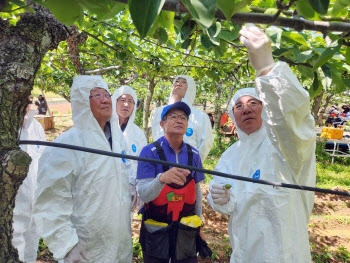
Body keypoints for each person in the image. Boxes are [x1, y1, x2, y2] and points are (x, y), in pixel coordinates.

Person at [207, 24, 316, 263]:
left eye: (254, 102)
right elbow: (225, 201)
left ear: (266, 109)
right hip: (243, 251)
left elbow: (293, 121)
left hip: (283, 254)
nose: (245, 108)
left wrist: (268, 70)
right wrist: (219, 199)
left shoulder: (284, 146)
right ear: (232, 117)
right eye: (239, 105)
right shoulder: (230, 156)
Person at [33, 76, 132, 263]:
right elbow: (51, 202)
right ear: (81, 102)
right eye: (96, 95)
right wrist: (67, 246)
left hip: (120, 245)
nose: (104, 99)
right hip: (86, 251)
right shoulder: (66, 145)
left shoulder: (117, 141)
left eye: (106, 94)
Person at [137, 101, 205, 263]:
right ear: (162, 123)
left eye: (183, 117)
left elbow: (197, 192)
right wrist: (161, 179)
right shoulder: (148, 152)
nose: (179, 120)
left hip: (186, 229)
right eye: (173, 117)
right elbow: (144, 195)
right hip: (156, 230)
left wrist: (200, 223)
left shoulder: (193, 154)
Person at [12, 96, 46, 263]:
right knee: (14, 248)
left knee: (31, 248)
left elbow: (44, 161)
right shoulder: (8, 128)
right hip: (13, 205)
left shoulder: (36, 127)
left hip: (35, 203)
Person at [151, 75, 213, 162]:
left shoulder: (200, 116)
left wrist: (194, 164)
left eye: (184, 82)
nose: (179, 84)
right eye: (176, 81)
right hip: (161, 165)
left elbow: (206, 144)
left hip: (187, 168)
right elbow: (155, 136)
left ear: (190, 89)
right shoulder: (158, 112)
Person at [111, 85, 147, 211]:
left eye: (130, 101)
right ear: (114, 101)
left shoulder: (138, 134)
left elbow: (142, 163)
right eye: (122, 100)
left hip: (129, 189)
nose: (126, 104)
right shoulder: (105, 128)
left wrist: (137, 187)